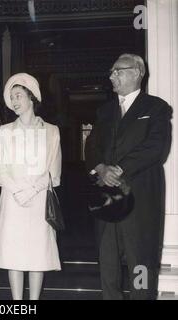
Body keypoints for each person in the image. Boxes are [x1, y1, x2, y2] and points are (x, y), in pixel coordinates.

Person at [85, 53, 171, 299]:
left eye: (117, 71)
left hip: (141, 200)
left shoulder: (156, 108)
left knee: (141, 262)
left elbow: (156, 148)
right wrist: (101, 168)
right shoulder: (104, 111)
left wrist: (120, 168)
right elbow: (91, 147)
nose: (111, 76)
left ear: (136, 72)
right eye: (111, 72)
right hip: (106, 200)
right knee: (108, 262)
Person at [0, 73, 62, 300]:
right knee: (14, 254)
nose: (15, 101)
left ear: (32, 97)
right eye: (12, 97)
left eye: (19, 95)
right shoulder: (4, 131)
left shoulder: (51, 131)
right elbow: (0, 171)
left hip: (40, 199)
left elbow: (54, 172)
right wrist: (19, 191)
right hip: (13, 199)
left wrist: (32, 190)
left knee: (37, 254)